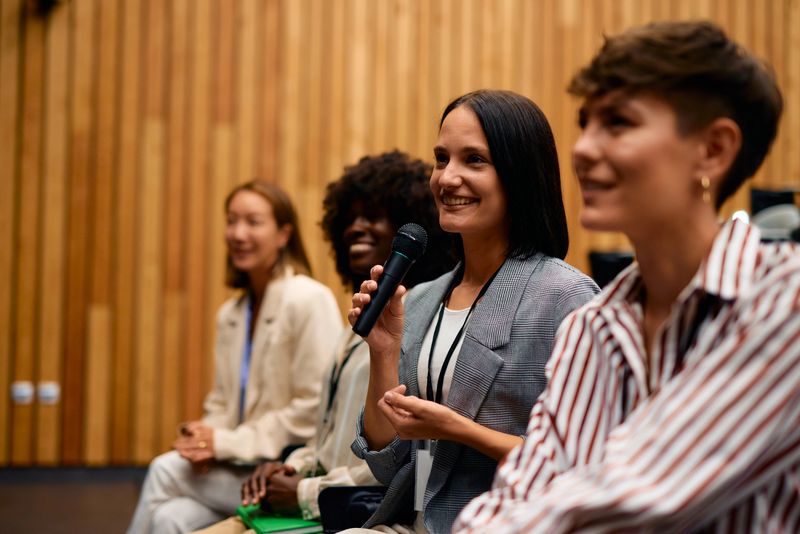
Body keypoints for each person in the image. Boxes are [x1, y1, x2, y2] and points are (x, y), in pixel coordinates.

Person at [455, 21, 800, 533]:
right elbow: (527, 486)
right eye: (585, 122)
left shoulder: (783, 302)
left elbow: (635, 499)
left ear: (713, 149)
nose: (583, 148)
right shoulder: (589, 326)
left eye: (617, 123)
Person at [346, 90, 599, 534]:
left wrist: (460, 430)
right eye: (441, 158)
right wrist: (383, 351)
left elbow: (585, 465)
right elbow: (388, 466)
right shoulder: (423, 298)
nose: (448, 178)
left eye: (474, 160)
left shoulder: (566, 298)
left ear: (518, 175)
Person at [192, 151, 457, 534]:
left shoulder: (416, 327)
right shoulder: (353, 327)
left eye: (373, 216)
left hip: (344, 513)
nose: (355, 227)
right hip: (312, 502)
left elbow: (387, 466)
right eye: (349, 218)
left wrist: (301, 490)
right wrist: (292, 465)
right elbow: (328, 441)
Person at [127, 181, 343, 534]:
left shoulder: (308, 299)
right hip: (237, 464)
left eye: (253, 222)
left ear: (283, 234)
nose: (238, 233)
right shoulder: (231, 313)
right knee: (171, 519)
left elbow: (314, 409)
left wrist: (223, 443)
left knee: (164, 470)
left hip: (284, 473)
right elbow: (223, 401)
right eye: (232, 221)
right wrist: (203, 438)